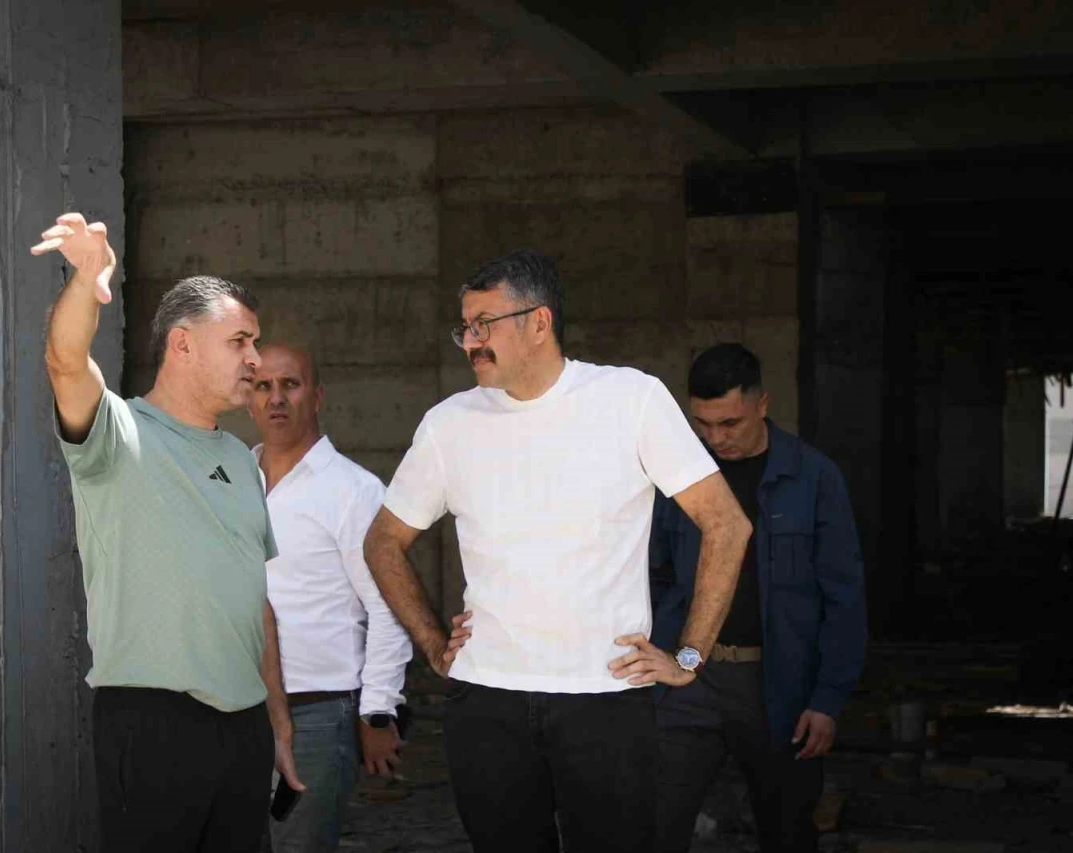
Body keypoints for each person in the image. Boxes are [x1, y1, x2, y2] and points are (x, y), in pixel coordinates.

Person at [362, 249, 751, 853]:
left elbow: (727, 524)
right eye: (464, 328)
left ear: (539, 322)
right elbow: (383, 541)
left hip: (605, 699)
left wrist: (690, 655)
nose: (470, 342)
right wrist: (434, 643)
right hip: (486, 702)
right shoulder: (448, 424)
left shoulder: (631, 399)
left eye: (484, 324)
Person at [33, 212, 303, 853]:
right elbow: (66, 362)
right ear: (182, 345)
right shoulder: (118, 434)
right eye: (239, 341)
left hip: (245, 728)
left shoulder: (242, 460)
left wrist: (278, 725)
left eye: (256, 341)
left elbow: (253, 601)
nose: (255, 358)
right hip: (154, 723)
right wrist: (86, 279)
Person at [651, 343, 867, 853]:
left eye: (730, 423)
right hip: (689, 677)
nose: (715, 438)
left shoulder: (814, 478)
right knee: (652, 824)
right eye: (703, 424)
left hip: (780, 686)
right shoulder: (678, 476)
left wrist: (827, 699)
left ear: (762, 404)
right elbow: (653, 575)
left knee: (787, 831)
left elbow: (844, 597)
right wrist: (661, 657)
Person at [247, 344, 413, 853]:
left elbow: (388, 607)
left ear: (317, 396)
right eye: (263, 386)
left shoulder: (353, 490)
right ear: (248, 399)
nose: (276, 398)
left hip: (317, 714)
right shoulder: (232, 479)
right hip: (238, 711)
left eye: (290, 384)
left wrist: (377, 711)